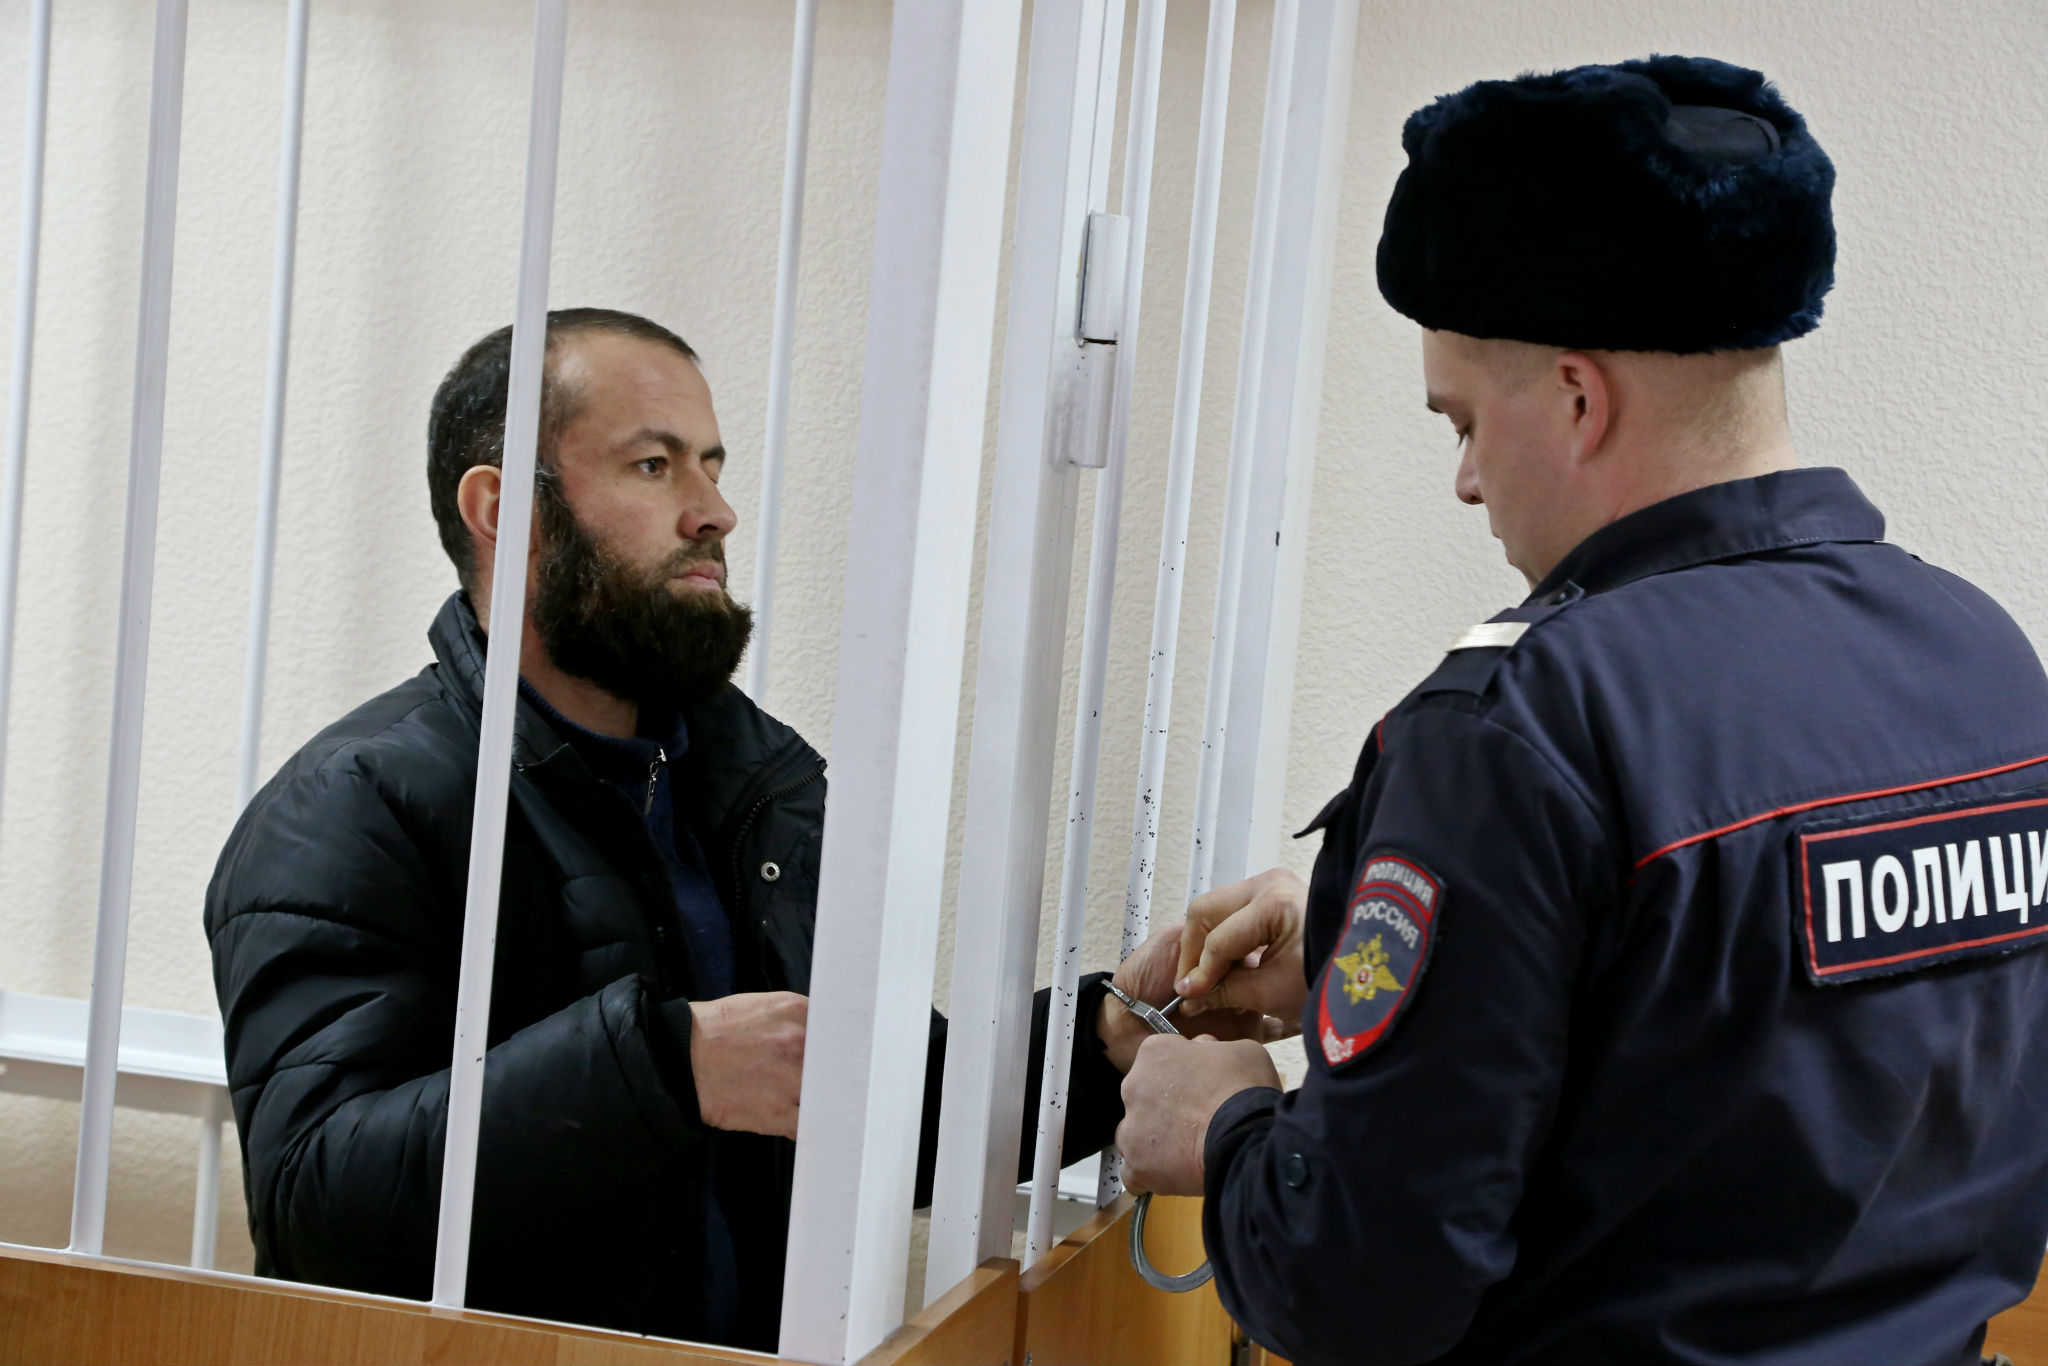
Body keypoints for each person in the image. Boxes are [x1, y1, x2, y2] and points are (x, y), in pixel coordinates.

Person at [1115, 56, 2048, 1366]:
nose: (1464, 481)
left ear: (1573, 396)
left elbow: (1361, 1292)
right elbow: (1743, 1066)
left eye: (1461, 420)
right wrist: (1352, 953)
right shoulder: (1989, 670)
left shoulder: (1515, 725)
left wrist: (1223, 1126)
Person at [204, 308, 1224, 1348]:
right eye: (654, 466)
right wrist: (665, 1067)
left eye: (713, 465)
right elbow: (315, 1205)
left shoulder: (752, 783)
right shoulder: (350, 807)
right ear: (503, 511)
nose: (715, 511)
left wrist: (1106, 1034)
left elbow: (862, 1106)